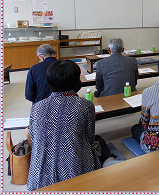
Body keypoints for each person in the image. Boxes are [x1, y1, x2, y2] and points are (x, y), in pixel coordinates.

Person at [27, 60, 113, 190]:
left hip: (39, 178)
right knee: (98, 141)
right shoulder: (85, 105)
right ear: (76, 82)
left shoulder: (37, 107)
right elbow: (89, 138)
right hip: (75, 174)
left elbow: (34, 138)